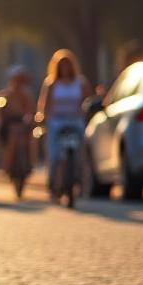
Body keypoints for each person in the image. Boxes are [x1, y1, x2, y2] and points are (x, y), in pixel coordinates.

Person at [36, 49, 92, 185]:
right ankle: (53, 179)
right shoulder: (51, 84)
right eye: (62, 65)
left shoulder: (80, 82)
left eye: (67, 64)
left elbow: (88, 101)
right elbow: (44, 105)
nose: (65, 68)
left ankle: (82, 177)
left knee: (82, 149)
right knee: (54, 153)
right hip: (57, 120)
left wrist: (87, 113)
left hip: (76, 120)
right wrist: (42, 117)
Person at [0, 65, 35, 194]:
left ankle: (30, 162)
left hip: (22, 124)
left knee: (32, 139)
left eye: (21, 80)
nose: (18, 83)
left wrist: (28, 120)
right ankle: (7, 164)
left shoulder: (26, 95)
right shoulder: (5, 95)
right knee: (11, 137)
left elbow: (30, 112)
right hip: (9, 125)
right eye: (16, 79)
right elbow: (0, 110)